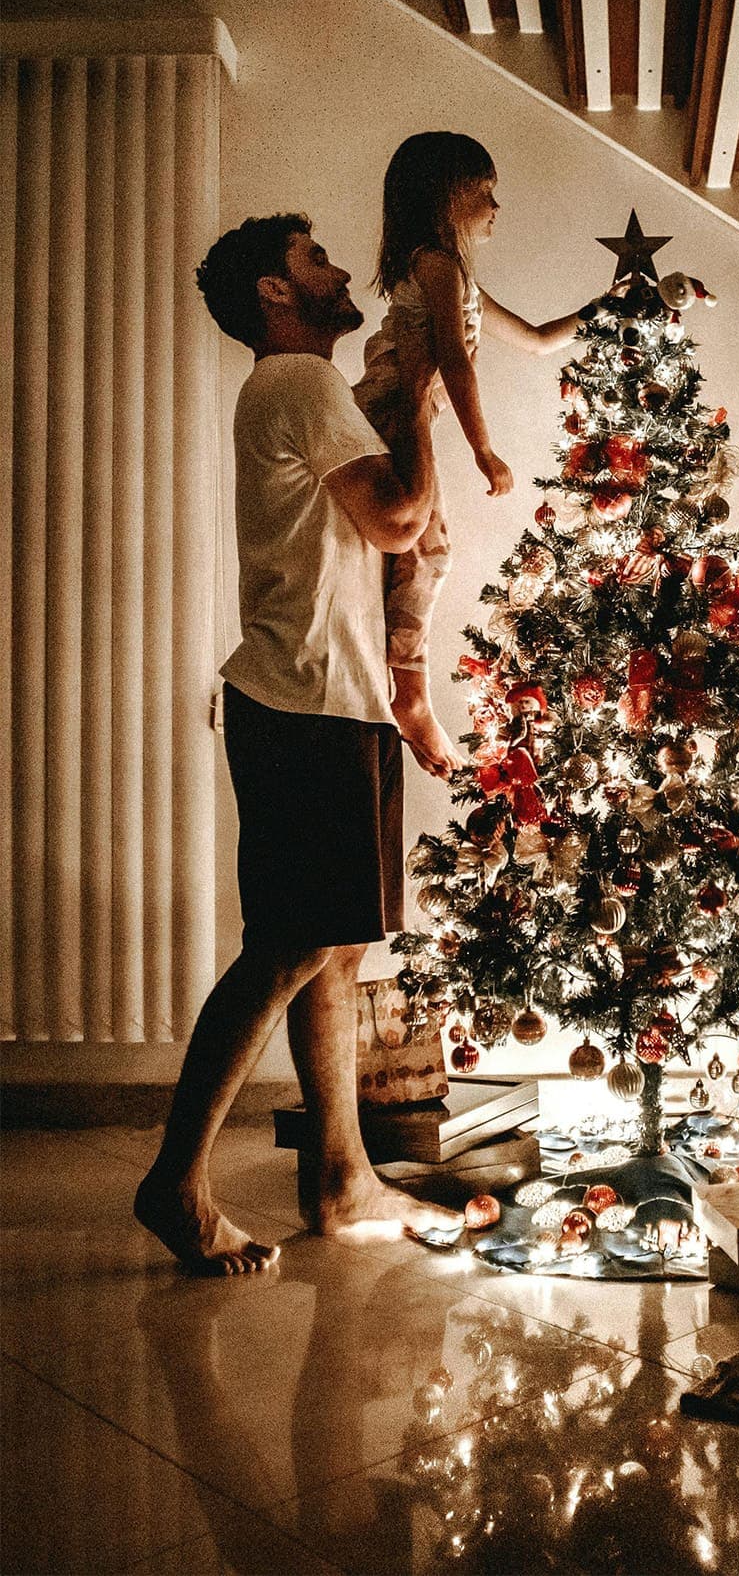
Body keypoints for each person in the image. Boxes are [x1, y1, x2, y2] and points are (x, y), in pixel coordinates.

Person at [135, 213, 462, 1274]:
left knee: (330, 939)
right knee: (287, 941)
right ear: (276, 293)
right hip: (306, 698)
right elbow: (401, 518)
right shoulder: (297, 384)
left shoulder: (300, 393)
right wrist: (417, 390)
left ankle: (340, 1176)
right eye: (312, 259)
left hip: (336, 696)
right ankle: (177, 1182)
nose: (331, 272)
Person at [354, 131, 585, 776]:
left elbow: (539, 340)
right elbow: (453, 359)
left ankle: (404, 686)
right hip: (389, 412)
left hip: (401, 414)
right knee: (428, 548)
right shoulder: (437, 264)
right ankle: (411, 695)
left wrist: (608, 304)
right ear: (447, 196)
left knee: (416, 553)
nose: (496, 207)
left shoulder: (454, 274)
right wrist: (485, 451)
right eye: (486, 192)